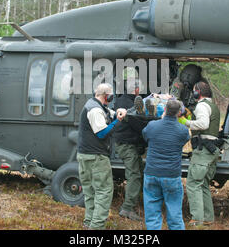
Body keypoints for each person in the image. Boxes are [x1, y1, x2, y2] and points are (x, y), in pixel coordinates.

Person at [77, 83, 127, 230]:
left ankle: (88, 223)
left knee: (90, 191)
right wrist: (118, 121)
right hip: (96, 157)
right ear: (107, 96)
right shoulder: (95, 110)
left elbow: (110, 113)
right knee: (104, 191)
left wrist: (118, 112)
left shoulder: (96, 106)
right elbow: (102, 133)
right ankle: (96, 227)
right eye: (111, 96)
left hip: (85, 156)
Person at [141, 100, 190, 230]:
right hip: (171, 175)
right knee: (175, 215)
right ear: (179, 113)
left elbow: (145, 135)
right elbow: (185, 139)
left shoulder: (152, 126)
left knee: (152, 215)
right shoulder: (183, 130)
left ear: (164, 110)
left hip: (151, 173)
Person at [181, 81, 221, 226]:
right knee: (203, 184)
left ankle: (197, 219)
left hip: (203, 150)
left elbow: (203, 124)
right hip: (211, 150)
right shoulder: (213, 106)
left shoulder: (202, 105)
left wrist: (186, 122)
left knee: (193, 183)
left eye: (194, 91)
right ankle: (208, 218)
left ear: (198, 92)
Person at [112, 81, 145, 221]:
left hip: (127, 143)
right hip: (126, 144)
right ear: (136, 89)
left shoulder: (123, 100)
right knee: (134, 175)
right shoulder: (127, 103)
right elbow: (135, 123)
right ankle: (127, 208)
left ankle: (135, 202)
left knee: (139, 171)